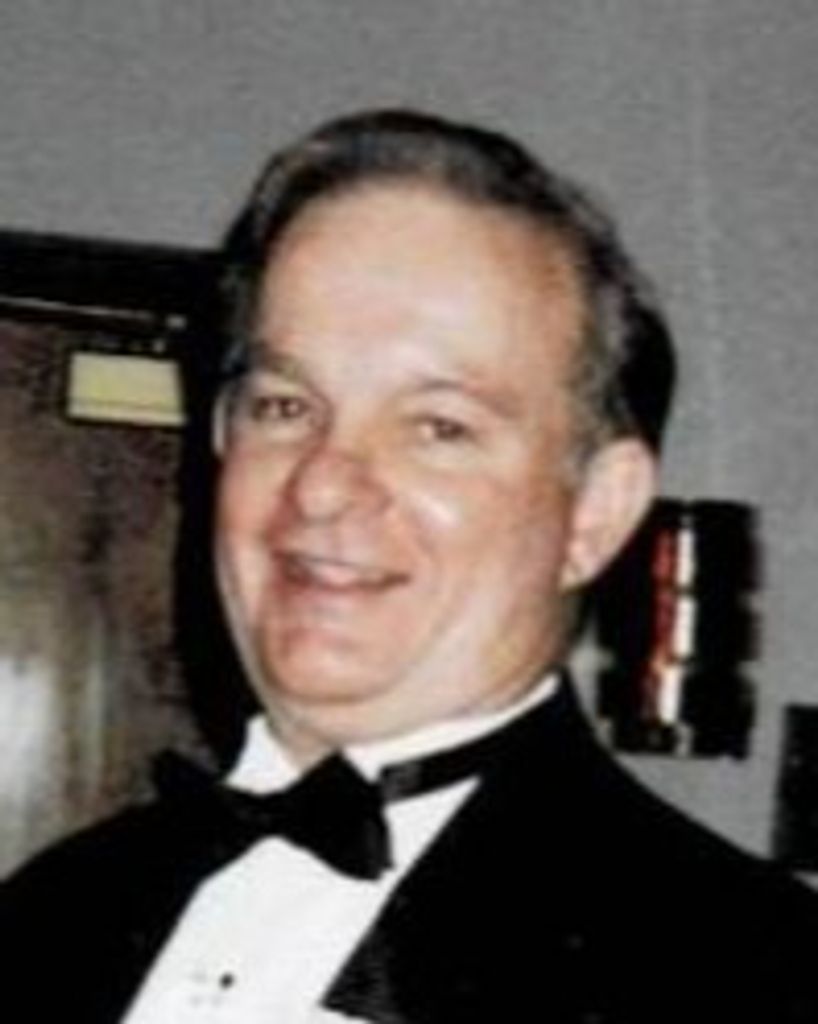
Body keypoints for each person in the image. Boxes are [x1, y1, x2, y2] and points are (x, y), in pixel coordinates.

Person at [2, 108, 817, 1023]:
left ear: (593, 512)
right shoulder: (54, 911)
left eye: (438, 427)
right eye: (284, 405)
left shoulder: (749, 976)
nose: (322, 485)